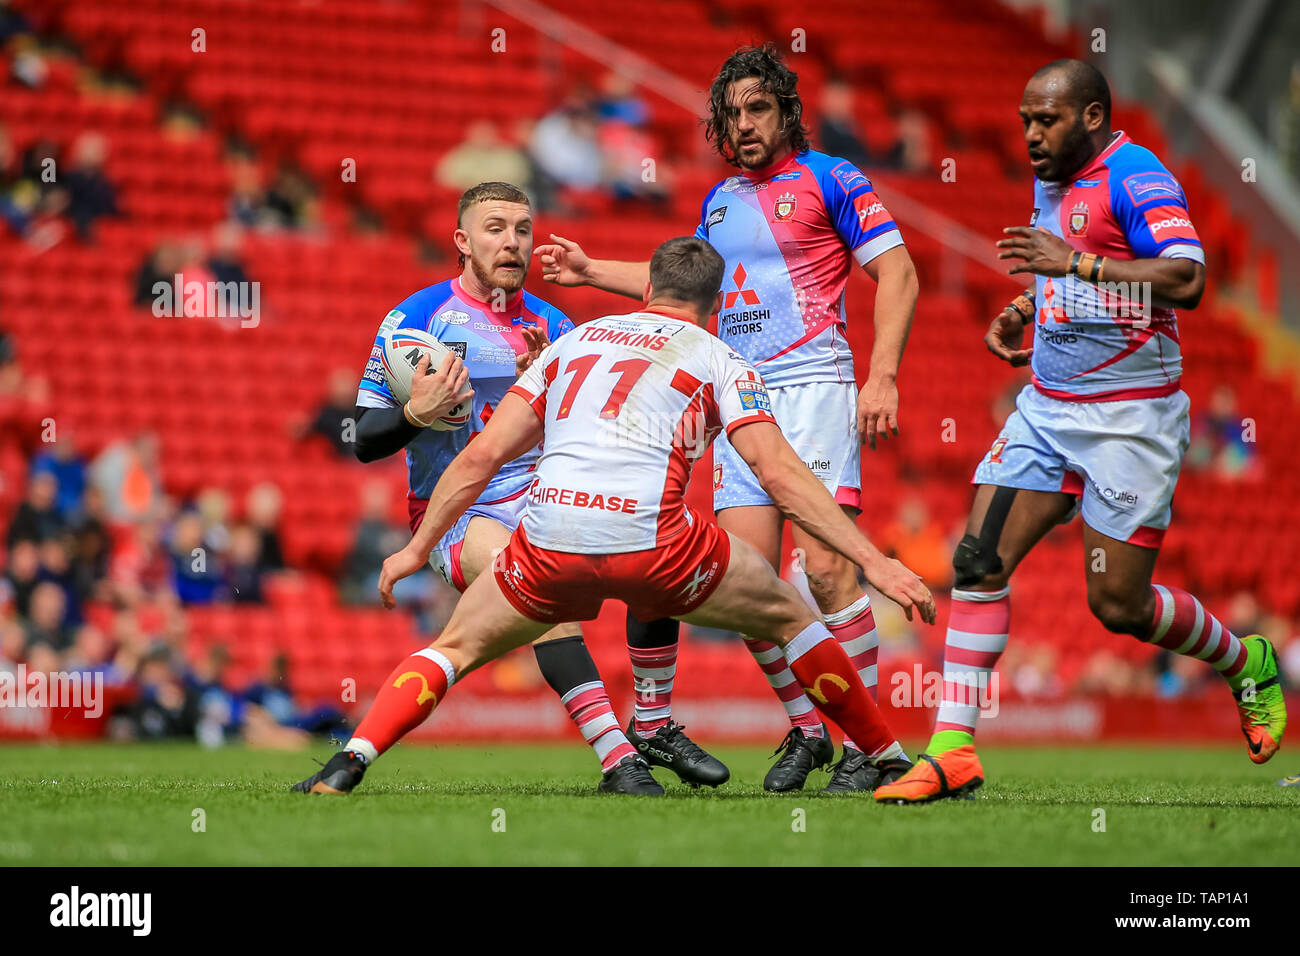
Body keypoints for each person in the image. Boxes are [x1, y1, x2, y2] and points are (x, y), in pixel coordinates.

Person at [291, 237, 935, 796]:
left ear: (647, 286)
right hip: (657, 550)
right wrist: (875, 563)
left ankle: (350, 759)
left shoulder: (570, 344)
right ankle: (887, 759)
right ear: (715, 306)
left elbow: (480, 455)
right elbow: (781, 478)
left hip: (548, 545)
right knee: (789, 613)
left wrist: (413, 551)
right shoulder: (721, 358)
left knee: (452, 649)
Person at [875, 59, 1287, 804]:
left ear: (1091, 117)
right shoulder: (1055, 176)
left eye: (1047, 120)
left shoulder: (1138, 175)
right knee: (976, 560)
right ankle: (952, 750)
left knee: (1118, 607)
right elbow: (1060, 266)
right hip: (1048, 405)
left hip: (1131, 420)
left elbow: (1188, 279)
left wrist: (1079, 264)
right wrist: (1029, 308)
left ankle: (1243, 660)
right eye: (1026, 120)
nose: (1031, 135)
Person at [533, 45, 921, 793]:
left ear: (786, 111)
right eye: (733, 113)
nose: (744, 125)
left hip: (813, 383)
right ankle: (810, 733)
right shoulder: (718, 200)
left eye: (758, 109)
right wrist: (589, 274)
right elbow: (680, 284)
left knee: (831, 571)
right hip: (739, 392)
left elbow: (898, 271)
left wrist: (883, 375)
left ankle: (868, 750)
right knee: (746, 585)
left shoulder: (832, 178)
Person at [347, 181, 724, 793]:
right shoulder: (414, 320)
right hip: (460, 511)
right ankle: (619, 760)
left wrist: (545, 395)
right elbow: (364, 440)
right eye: (495, 228)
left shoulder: (555, 326)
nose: (512, 241)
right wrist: (417, 413)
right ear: (462, 241)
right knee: (539, 591)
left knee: (659, 556)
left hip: (545, 494)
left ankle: (653, 723)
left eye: (523, 229)